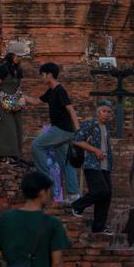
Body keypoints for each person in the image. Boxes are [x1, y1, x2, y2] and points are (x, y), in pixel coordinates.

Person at [30, 62, 80, 202]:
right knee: (65, 162)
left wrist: (78, 130)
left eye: (42, 75)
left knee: (36, 145)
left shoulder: (59, 90)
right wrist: (21, 97)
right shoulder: (51, 91)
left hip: (62, 129)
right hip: (61, 131)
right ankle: (73, 194)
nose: (41, 78)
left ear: (49, 75)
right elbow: (36, 101)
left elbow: (71, 109)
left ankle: (47, 185)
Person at [68, 101, 115, 233]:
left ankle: (99, 227)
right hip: (92, 164)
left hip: (105, 166)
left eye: (109, 112)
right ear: (98, 112)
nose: (106, 114)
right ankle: (76, 206)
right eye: (103, 111)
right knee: (100, 191)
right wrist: (95, 150)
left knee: (107, 195)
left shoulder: (107, 128)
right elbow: (77, 140)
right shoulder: (90, 124)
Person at [0, 41, 32, 161]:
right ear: (11, 55)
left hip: (14, 102)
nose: (18, 59)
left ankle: (15, 156)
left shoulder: (18, 69)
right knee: (7, 128)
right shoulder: (2, 68)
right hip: (1, 102)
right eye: (17, 56)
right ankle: (4, 155)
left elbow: (18, 87)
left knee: (17, 127)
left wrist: (22, 99)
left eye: (20, 57)